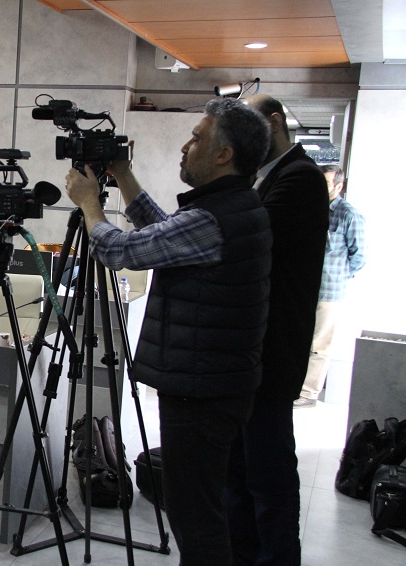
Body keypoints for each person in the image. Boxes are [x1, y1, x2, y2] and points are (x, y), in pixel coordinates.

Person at [65, 97, 272, 566]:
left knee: (196, 519)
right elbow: (165, 233)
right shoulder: (234, 207)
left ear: (223, 154)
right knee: (207, 509)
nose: (185, 146)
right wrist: (123, 175)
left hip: (202, 391)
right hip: (218, 383)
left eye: (197, 138)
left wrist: (90, 204)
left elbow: (121, 251)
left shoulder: (214, 218)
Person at [225, 93, 329, 566]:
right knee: (239, 473)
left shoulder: (301, 177)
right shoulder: (268, 176)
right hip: (250, 350)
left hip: (273, 349)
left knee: (268, 476)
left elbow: (250, 239)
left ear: (273, 123)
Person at [295, 164, 366, 407]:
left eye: (325, 183)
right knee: (299, 338)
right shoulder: (309, 208)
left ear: (339, 186)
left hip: (329, 291)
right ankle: (294, 386)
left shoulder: (349, 215)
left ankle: (308, 393)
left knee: (319, 344)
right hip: (304, 286)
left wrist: (339, 276)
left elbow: (359, 257)